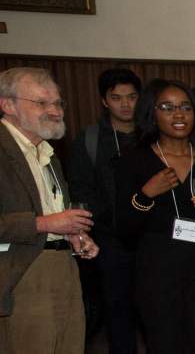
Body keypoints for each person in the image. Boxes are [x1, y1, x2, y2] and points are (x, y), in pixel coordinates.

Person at [116, 79, 195, 354]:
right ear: (152, 113)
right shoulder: (134, 161)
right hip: (157, 269)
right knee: (164, 344)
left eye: (185, 108)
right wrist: (146, 195)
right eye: (167, 108)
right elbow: (124, 228)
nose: (178, 115)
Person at [0, 67, 100, 354]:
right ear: (8, 105)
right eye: (41, 103)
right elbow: (42, 220)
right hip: (20, 272)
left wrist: (71, 235)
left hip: (63, 268)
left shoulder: (47, 153)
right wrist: (46, 224)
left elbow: (50, 212)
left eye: (58, 103)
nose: (55, 111)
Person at [64, 67, 143, 354]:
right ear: (104, 101)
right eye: (117, 97)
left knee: (157, 311)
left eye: (132, 97)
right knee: (118, 312)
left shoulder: (153, 136)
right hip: (110, 241)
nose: (125, 104)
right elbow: (81, 190)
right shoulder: (90, 140)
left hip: (151, 240)